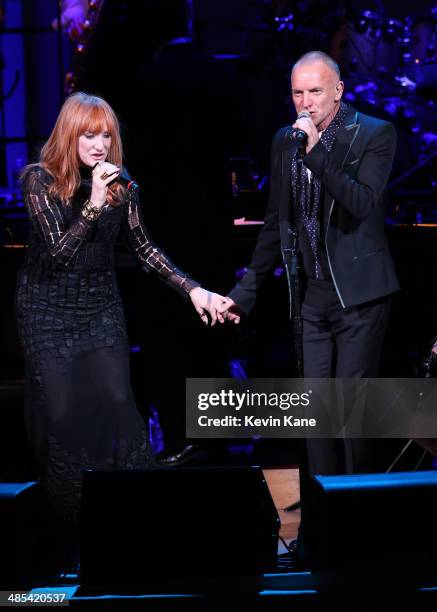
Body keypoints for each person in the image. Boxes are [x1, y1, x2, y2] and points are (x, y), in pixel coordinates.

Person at [219, 50, 399, 561]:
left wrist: (317, 151)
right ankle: (321, 531)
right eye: (297, 93)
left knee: (350, 412)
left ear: (337, 91)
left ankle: (362, 525)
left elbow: (362, 203)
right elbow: (277, 224)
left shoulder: (374, 134)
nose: (305, 103)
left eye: (315, 92)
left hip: (361, 295)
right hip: (312, 298)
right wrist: (247, 293)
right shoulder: (284, 141)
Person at [15, 92, 228, 524]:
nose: (98, 145)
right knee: (62, 414)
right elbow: (58, 253)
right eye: (89, 135)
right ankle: (72, 528)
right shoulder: (40, 181)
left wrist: (194, 290)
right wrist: (94, 201)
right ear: (70, 136)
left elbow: (144, 248)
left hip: (99, 307)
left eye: (106, 136)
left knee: (116, 401)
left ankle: (133, 518)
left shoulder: (123, 187)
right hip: (46, 310)